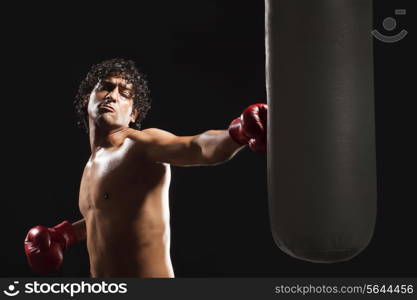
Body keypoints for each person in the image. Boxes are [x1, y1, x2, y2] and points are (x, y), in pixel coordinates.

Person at [24, 58, 267, 278]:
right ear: (88, 98)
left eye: (124, 94)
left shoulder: (139, 144)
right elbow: (107, 214)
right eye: (106, 87)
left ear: (133, 114)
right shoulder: (91, 166)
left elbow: (197, 147)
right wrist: (64, 235)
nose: (112, 96)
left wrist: (239, 133)